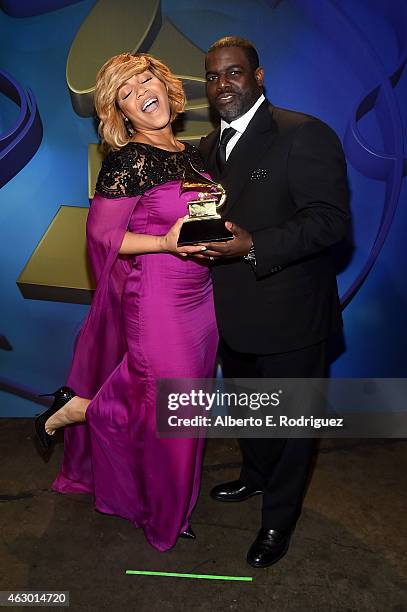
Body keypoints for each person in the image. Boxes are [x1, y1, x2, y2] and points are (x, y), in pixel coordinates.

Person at [35, 53, 218, 551]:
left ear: (166, 84)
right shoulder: (130, 160)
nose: (143, 92)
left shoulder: (193, 152)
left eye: (147, 80)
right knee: (172, 417)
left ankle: (81, 411)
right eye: (128, 92)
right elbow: (102, 240)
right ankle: (164, 518)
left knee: (183, 410)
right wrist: (164, 244)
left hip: (201, 301)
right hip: (157, 302)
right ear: (123, 114)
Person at [197, 37, 350, 568]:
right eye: (213, 77)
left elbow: (330, 221)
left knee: (290, 424)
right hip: (233, 313)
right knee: (248, 412)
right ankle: (254, 479)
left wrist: (255, 245)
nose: (223, 85)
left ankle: (278, 521)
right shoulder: (205, 149)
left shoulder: (303, 133)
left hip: (292, 314)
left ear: (258, 77)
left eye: (234, 73)